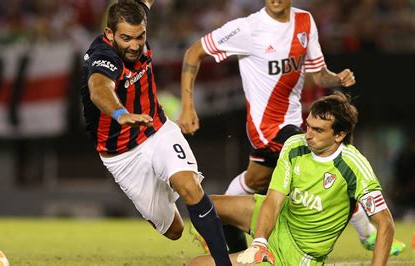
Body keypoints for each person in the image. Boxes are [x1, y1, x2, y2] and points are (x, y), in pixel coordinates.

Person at [178, 0, 405, 255]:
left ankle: (213, 220)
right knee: (324, 161)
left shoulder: (305, 22)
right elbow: (193, 52)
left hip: (294, 122)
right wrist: (187, 105)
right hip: (266, 127)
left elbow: (319, 74)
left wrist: (336, 78)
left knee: (255, 178)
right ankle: (367, 233)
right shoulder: (248, 28)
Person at [80, 1, 231, 265]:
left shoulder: (137, 16)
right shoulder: (103, 57)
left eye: (140, 37)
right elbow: (99, 88)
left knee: (189, 186)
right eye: (126, 38)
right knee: (175, 231)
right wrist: (120, 113)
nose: (135, 45)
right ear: (109, 34)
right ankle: (169, 195)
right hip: (122, 157)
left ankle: (223, 262)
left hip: (157, 130)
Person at [189, 91, 396, 265]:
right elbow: (274, 198)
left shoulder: (354, 166)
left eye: (318, 130)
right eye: (308, 126)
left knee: (195, 264)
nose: (308, 135)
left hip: (297, 254)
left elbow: (385, 223)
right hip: (282, 220)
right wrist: (260, 242)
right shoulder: (295, 145)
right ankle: (245, 252)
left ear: (339, 135)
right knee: (210, 206)